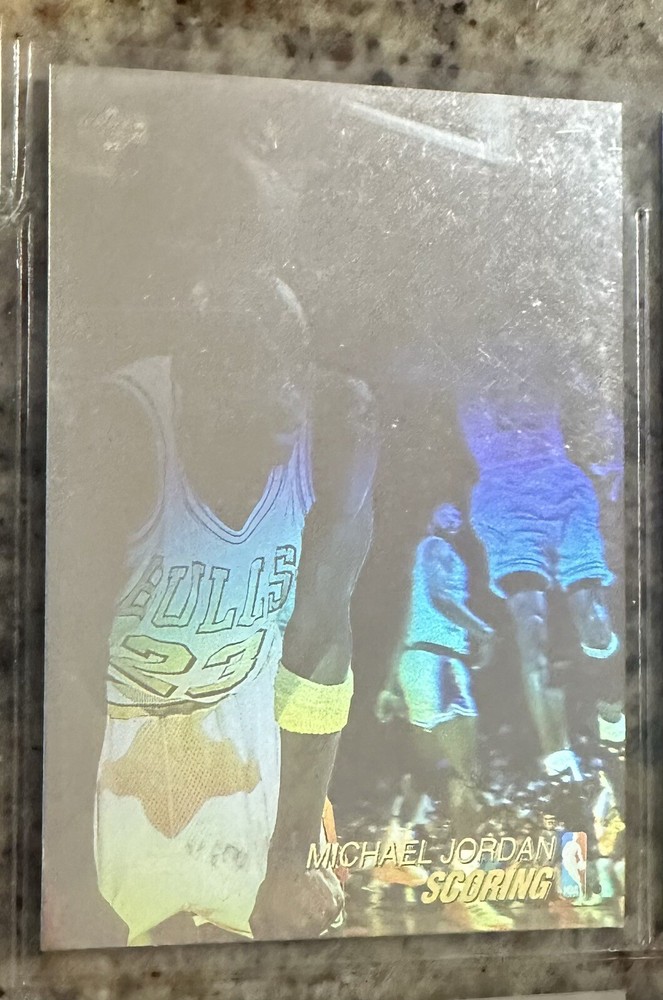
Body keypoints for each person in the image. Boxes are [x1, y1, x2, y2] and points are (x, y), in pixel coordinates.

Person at [44, 285, 377, 947]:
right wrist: (73, 876)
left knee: (255, 945)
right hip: (107, 755)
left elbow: (319, 646)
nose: (252, 477)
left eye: (273, 438)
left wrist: (290, 856)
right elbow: (59, 669)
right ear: (190, 396)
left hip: (236, 747)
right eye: (238, 435)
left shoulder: (337, 431)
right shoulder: (119, 432)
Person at [458, 391, 624, 783]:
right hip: (503, 494)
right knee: (531, 632)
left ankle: (613, 716)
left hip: (559, 482)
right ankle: (561, 767)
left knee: (594, 619)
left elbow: (603, 409)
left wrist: (617, 458)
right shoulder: (464, 369)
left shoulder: (542, 366)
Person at [375, 504, 512, 932]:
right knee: (467, 776)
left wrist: (390, 685)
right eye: (443, 507)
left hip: (418, 662)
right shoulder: (436, 548)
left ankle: (394, 854)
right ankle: (464, 896)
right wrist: (484, 630)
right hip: (439, 664)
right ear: (430, 515)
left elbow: (406, 621)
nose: (454, 514)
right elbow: (439, 597)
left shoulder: (425, 553)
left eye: (458, 510)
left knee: (426, 771)